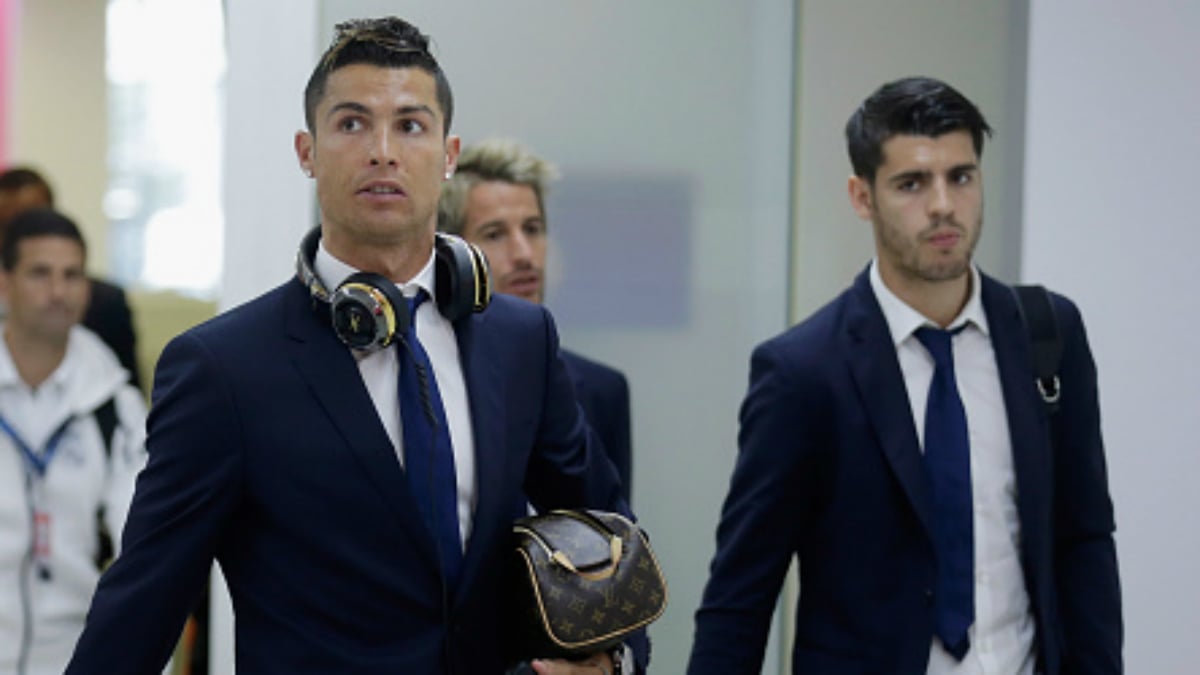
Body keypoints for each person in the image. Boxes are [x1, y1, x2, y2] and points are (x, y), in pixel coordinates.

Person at [67, 16, 636, 674]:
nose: (383, 151)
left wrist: (612, 660)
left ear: (448, 155)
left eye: (411, 125)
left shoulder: (520, 340)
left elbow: (604, 526)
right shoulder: (224, 368)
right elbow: (142, 602)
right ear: (307, 151)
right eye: (352, 123)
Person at [688, 77, 1122, 674]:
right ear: (862, 196)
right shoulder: (803, 372)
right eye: (912, 183)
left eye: (961, 177)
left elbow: (1085, 538)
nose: (943, 204)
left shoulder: (1047, 334)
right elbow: (741, 596)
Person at [439, 139, 634, 502]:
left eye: (532, 229)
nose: (524, 254)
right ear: (452, 251)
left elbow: (611, 541)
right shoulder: (427, 379)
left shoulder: (601, 389)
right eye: (495, 234)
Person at [0, 208, 147, 674]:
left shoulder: (116, 408)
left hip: (76, 659)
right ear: (4, 283)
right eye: (40, 274)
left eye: (72, 275)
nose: (58, 291)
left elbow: (143, 548)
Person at [0, 166, 143, 391]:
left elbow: (129, 396)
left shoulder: (104, 304)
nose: (58, 292)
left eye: (72, 275)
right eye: (8, 224)